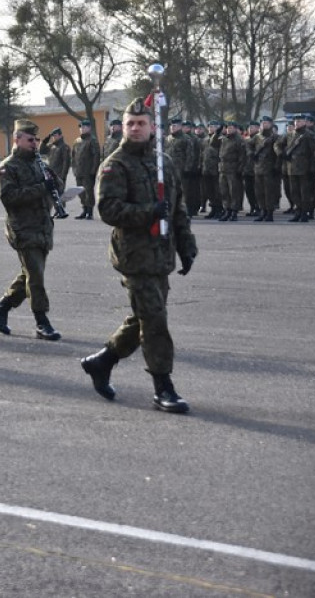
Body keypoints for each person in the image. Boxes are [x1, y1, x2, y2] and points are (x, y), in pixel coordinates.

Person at [80, 97, 198, 413]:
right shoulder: (115, 165)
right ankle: (164, 387)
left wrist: (186, 245)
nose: (134, 128)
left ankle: (101, 362)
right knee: (155, 321)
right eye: (130, 123)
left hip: (161, 255)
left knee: (144, 317)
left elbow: (178, 208)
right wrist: (148, 212)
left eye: (140, 123)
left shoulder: (164, 163)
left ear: (152, 127)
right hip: (134, 257)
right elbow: (108, 209)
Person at [0, 119, 63, 341]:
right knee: (36, 276)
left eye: (36, 140)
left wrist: (54, 185)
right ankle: (42, 321)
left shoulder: (39, 163)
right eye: (30, 140)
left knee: (30, 273)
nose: (34, 144)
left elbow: (57, 184)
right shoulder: (7, 167)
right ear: (17, 139)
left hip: (42, 227)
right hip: (23, 229)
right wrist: (42, 188)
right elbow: (9, 198)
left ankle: (1, 308)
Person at [285, 114, 315, 223]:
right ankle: (298, 212)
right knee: (294, 192)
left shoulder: (309, 135)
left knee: (304, 193)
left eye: (299, 121)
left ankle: (304, 213)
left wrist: (312, 167)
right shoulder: (291, 135)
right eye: (295, 121)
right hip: (292, 168)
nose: (296, 123)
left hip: (304, 169)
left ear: (304, 122)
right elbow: (281, 145)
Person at [71, 118, 100, 219]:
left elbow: (96, 156)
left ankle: (90, 211)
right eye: (81, 127)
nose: (82, 129)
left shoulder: (92, 141)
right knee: (80, 192)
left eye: (84, 127)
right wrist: (74, 169)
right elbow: (73, 157)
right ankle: (84, 209)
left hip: (88, 171)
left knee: (88, 191)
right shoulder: (77, 141)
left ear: (89, 128)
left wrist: (93, 170)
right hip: (79, 171)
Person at [252, 117, 280, 222]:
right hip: (258, 168)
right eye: (263, 123)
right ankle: (262, 211)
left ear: (271, 124)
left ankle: (269, 213)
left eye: (266, 123)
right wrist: (251, 153)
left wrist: (277, 166)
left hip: (270, 168)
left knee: (269, 192)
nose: (264, 125)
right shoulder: (256, 137)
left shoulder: (275, 137)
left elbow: (279, 153)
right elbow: (248, 146)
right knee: (259, 192)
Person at [217, 121, 245, 222]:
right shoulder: (224, 139)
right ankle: (227, 210)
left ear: (235, 128)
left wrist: (240, 169)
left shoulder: (239, 140)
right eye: (227, 128)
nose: (229, 129)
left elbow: (242, 156)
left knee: (234, 192)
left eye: (231, 128)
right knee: (224, 192)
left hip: (233, 169)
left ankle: (234, 212)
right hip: (223, 169)